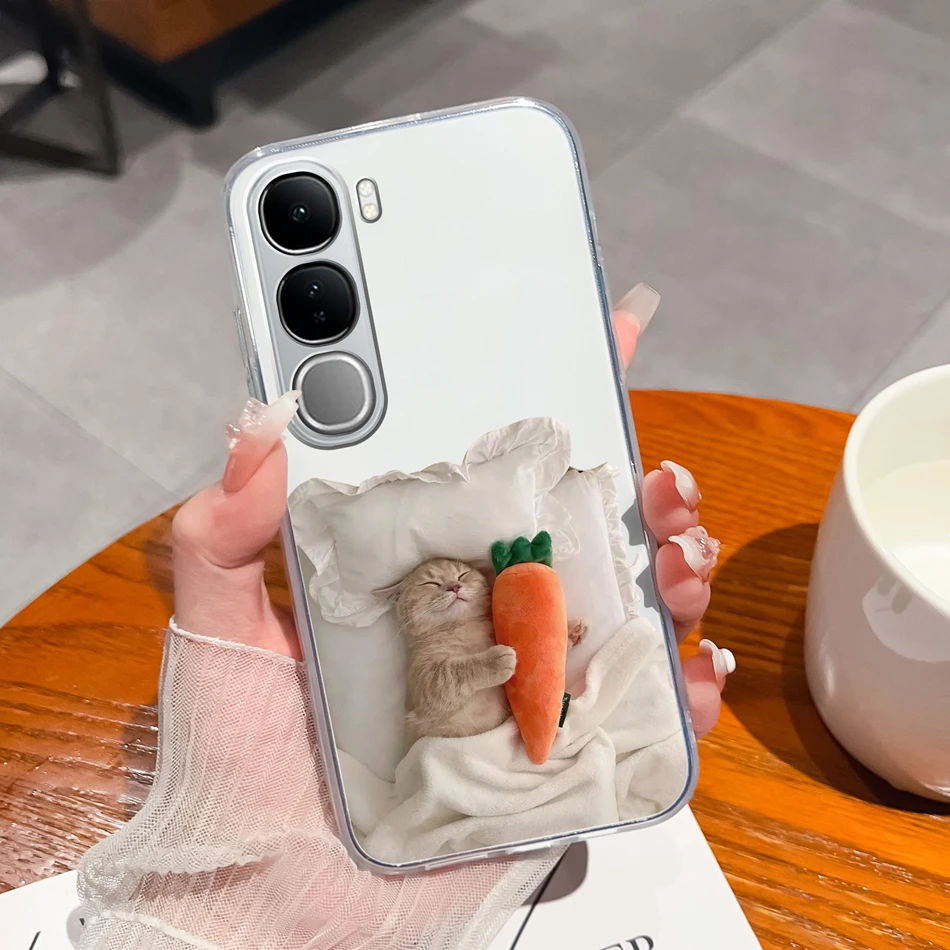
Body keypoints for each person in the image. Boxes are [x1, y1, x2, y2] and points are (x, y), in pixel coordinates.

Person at [75, 298, 734, 950]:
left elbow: (527, 657)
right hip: (452, 759)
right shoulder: (431, 650)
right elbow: (442, 687)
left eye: (463, 577)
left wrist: (552, 638)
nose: (452, 584)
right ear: (404, 610)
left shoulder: (491, 614)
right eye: (430, 584)